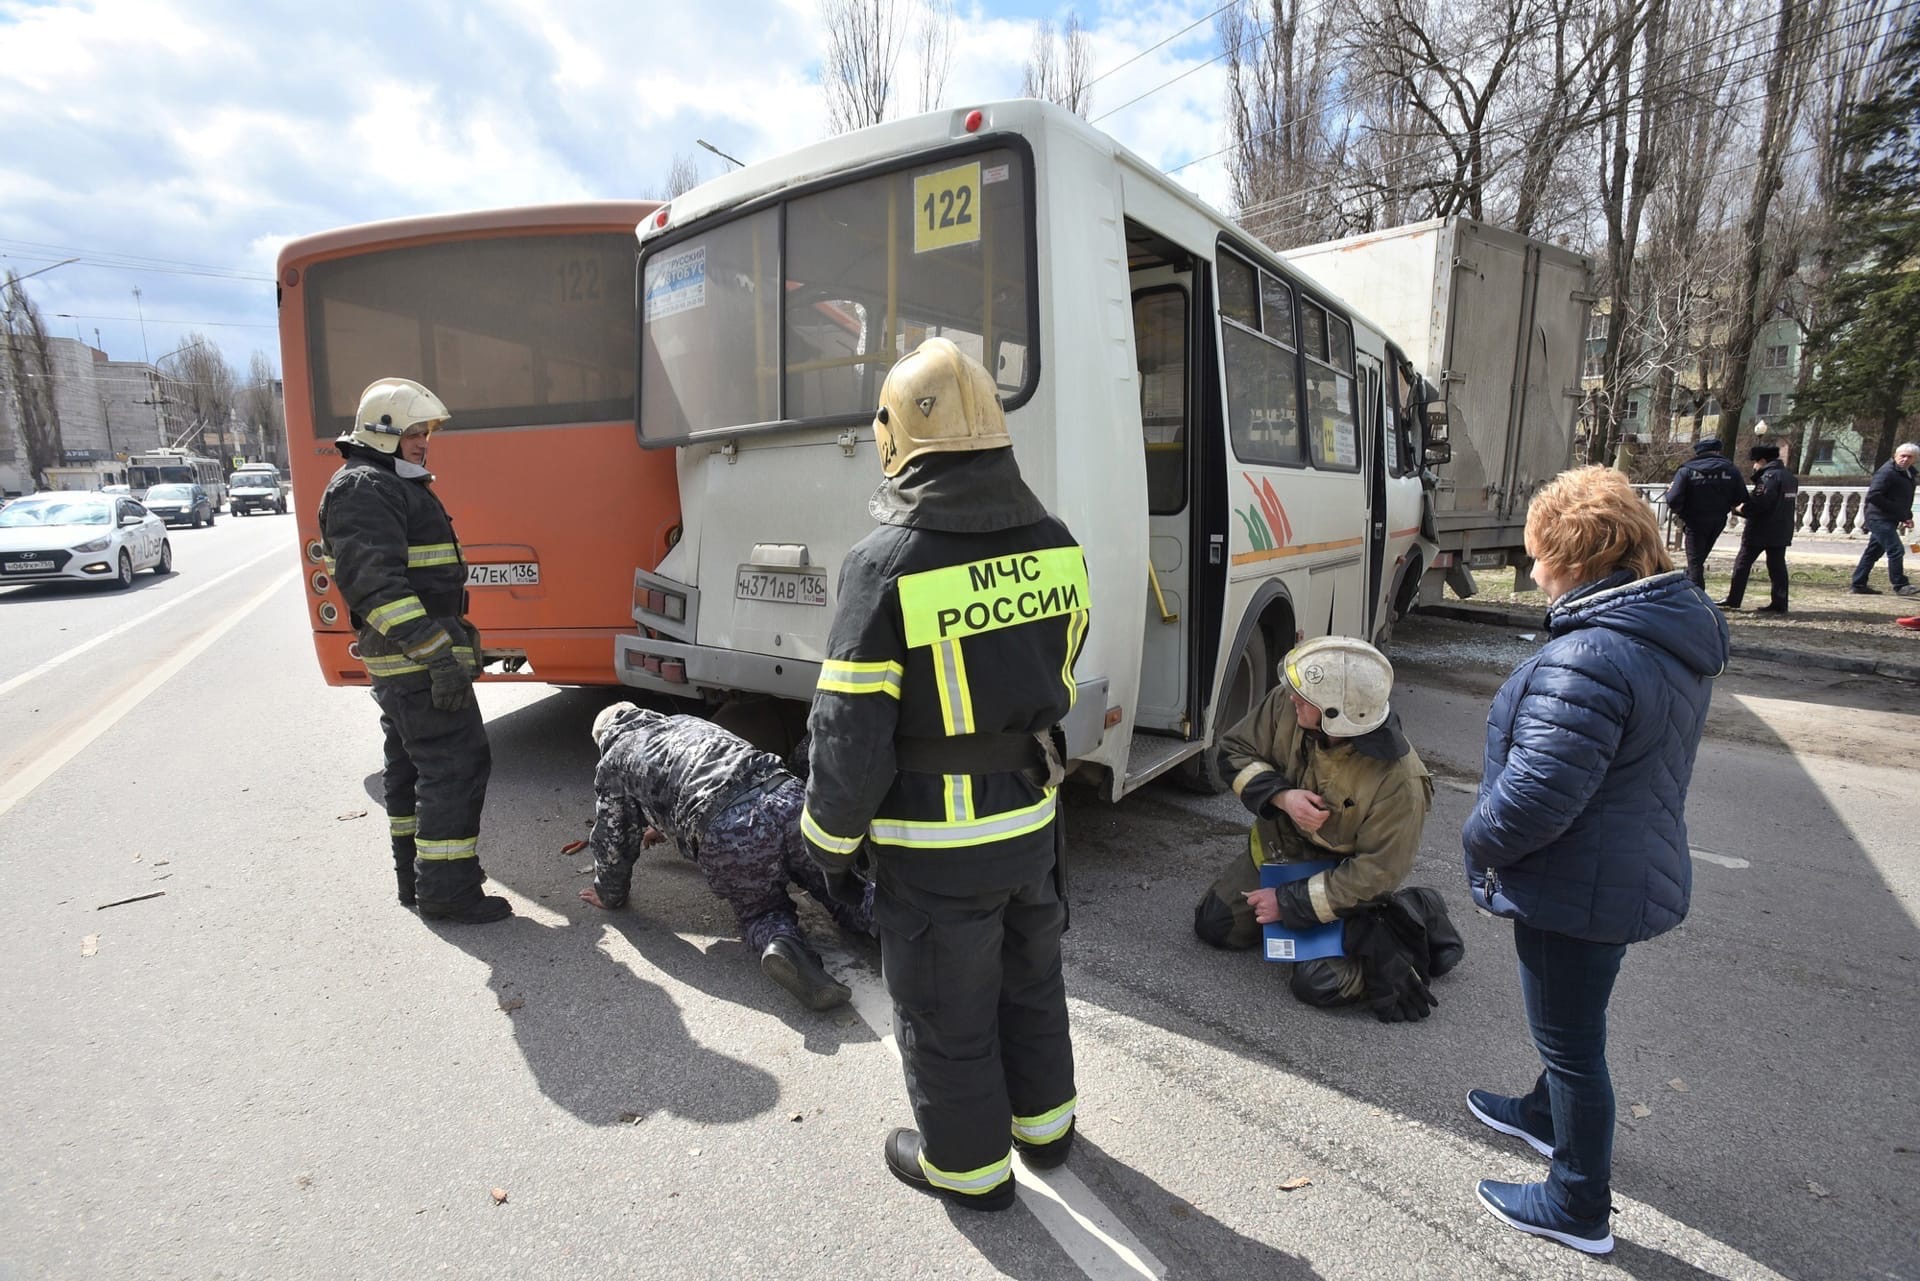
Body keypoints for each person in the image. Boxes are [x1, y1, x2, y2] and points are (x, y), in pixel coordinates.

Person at [801, 337, 1089, 1212]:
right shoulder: (1056, 544)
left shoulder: (881, 565)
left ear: (897, 440)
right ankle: (1046, 1127)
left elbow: (850, 726)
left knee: (943, 1006)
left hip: (935, 843)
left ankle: (965, 1166)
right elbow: (1062, 667)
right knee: (1031, 978)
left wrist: (829, 840)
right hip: (1031, 823)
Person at [1463, 465, 1728, 1255]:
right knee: (1574, 1027)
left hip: (1572, 882)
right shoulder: (1658, 633)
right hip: (1613, 869)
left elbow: (1537, 799)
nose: (1533, 569)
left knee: (1573, 1048)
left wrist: (1479, 837)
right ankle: (1544, 1116)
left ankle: (1577, 1201)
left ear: (1576, 558)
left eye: (1539, 554)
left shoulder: (1591, 654)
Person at [1192, 636, 1461, 1020]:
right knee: (1216, 925)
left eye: (1304, 699)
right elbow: (1233, 752)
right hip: (1280, 850)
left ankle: (1416, 908)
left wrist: (1288, 902)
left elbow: (1374, 872)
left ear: (1337, 714)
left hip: (1345, 880)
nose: (1290, 699)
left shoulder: (1401, 783)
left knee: (1318, 982)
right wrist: (1282, 798)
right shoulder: (1294, 705)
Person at [318, 378, 508, 924]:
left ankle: (419, 882)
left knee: (411, 768)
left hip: (408, 659)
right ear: (382, 434)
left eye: (426, 432)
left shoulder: (385, 483)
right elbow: (376, 587)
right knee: (455, 766)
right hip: (414, 662)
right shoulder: (365, 489)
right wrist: (438, 657)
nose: (424, 441)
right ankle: (448, 893)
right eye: (414, 432)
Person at [579, 703, 873, 1011]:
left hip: (730, 832)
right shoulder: (683, 722)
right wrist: (663, 823)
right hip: (788, 798)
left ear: (603, 738)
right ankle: (899, 923)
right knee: (838, 885)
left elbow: (614, 840)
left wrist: (609, 893)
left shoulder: (614, 760)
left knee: (762, 912)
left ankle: (789, 952)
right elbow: (703, 774)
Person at [1719, 442, 1798, 614]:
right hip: (1782, 528)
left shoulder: (1768, 478)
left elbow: (1761, 503)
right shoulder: (1789, 477)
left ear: (1762, 460)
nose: (1754, 466)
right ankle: (1780, 602)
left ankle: (1734, 599)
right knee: (1777, 567)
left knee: (1742, 563)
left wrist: (1741, 509)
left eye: (1755, 462)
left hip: (1761, 529)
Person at [1662, 438, 1747, 589]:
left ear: (1699, 452)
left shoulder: (1687, 470)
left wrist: (1682, 511)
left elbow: (1673, 498)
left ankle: (1697, 595)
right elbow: (1741, 497)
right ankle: (1692, 589)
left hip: (1694, 521)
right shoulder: (1731, 469)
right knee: (1698, 559)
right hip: (1718, 520)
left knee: (1694, 561)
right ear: (1717, 451)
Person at [1851, 443, 1919, 596]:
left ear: (1915, 459)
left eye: (1909, 457)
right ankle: (1901, 585)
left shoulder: (1908, 474)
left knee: (1873, 552)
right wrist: (1898, 511)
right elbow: (1874, 495)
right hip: (1878, 518)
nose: (1905, 459)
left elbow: (1902, 498)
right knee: (1896, 550)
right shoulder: (1886, 472)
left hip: (1890, 518)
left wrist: (1906, 516)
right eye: (1902, 456)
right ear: (1896, 455)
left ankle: (1858, 584)